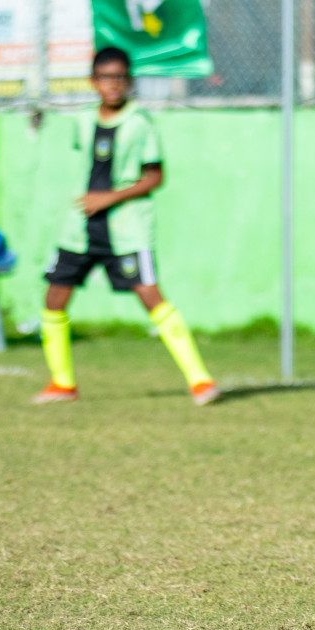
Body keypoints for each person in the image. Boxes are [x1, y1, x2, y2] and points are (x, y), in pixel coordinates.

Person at [33, 48, 219, 406]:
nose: (113, 85)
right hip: (78, 228)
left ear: (129, 81)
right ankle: (62, 383)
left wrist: (109, 197)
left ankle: (201, 381)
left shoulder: (140, 124)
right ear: (93, 82)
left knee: (150, 294)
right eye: (105, 77)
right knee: (55, 297)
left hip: (126, 229)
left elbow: (155, 176)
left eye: (120, 77)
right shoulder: (83, 123)